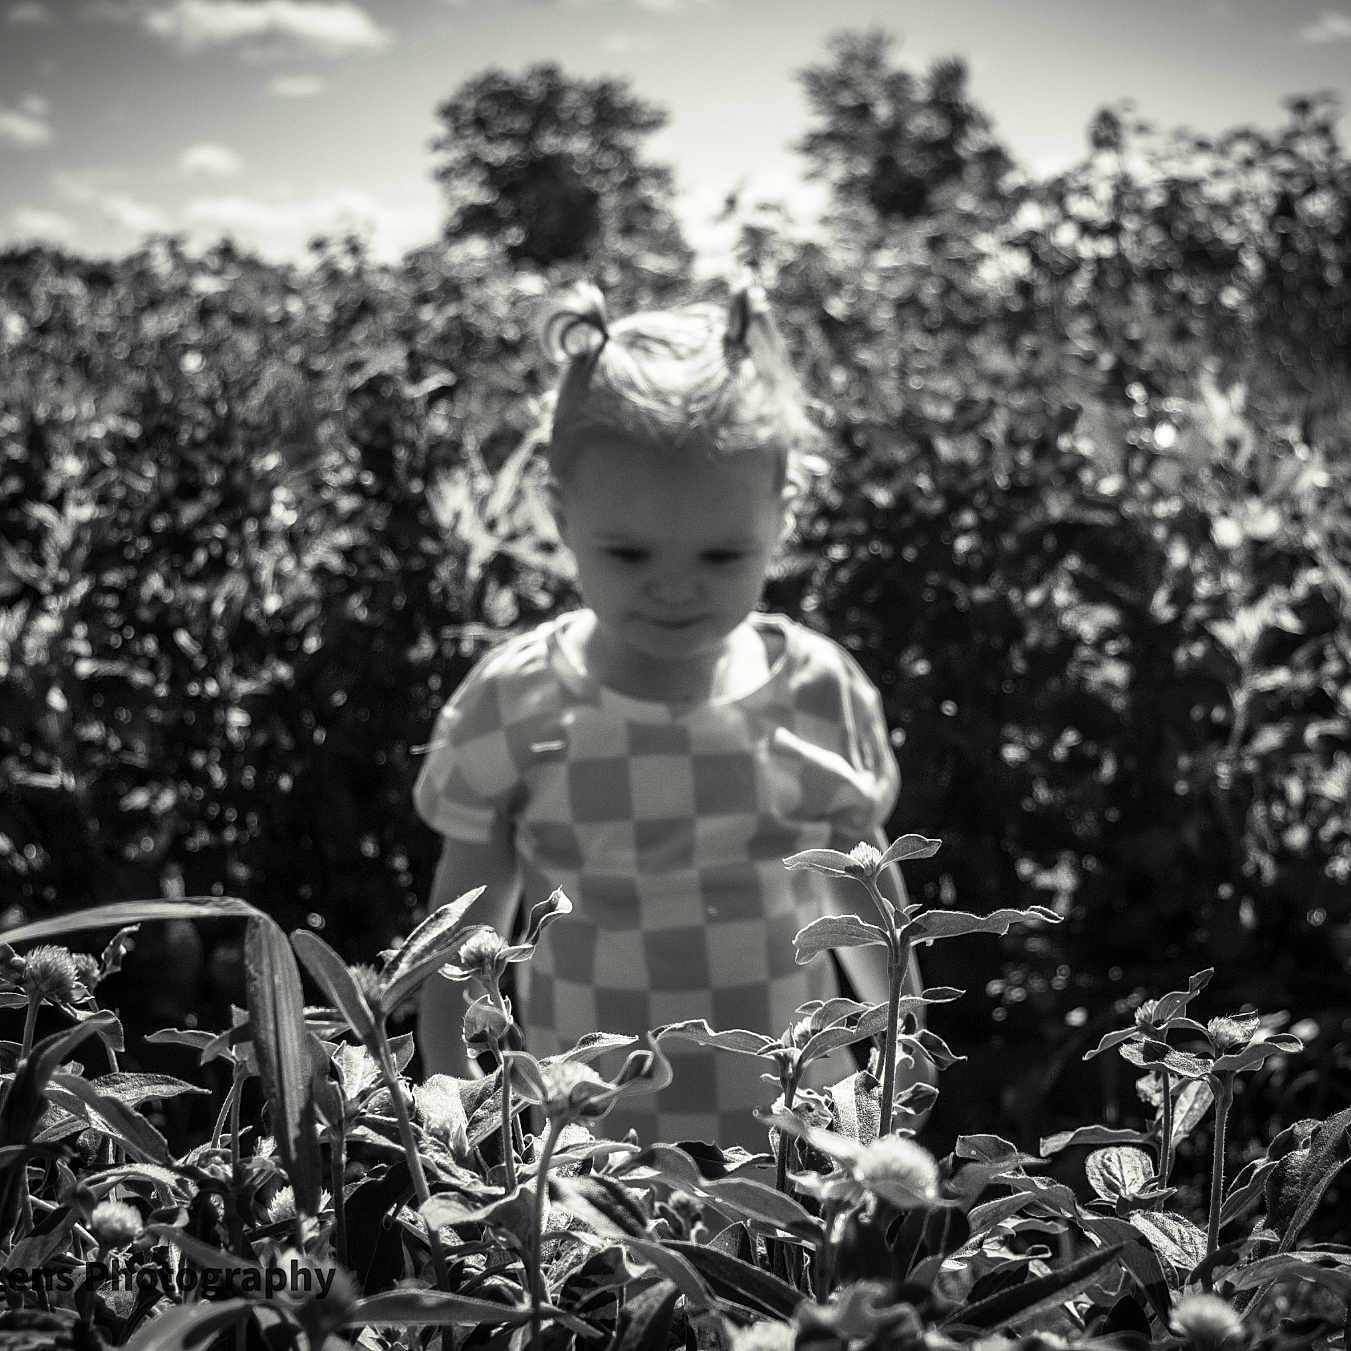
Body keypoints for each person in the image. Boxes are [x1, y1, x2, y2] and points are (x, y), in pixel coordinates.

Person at [413, 278, 926, 1149]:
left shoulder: (816, 689)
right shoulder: (517, 700)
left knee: (777, 1284)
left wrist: (901, 1044)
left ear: (783, 517)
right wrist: (452, 1088)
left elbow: (867, 902)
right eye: (628, 551)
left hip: (796, 1131)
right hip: (584, 1145)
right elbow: (463, 937)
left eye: (724, 553)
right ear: (559, 511)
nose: (677, 585)